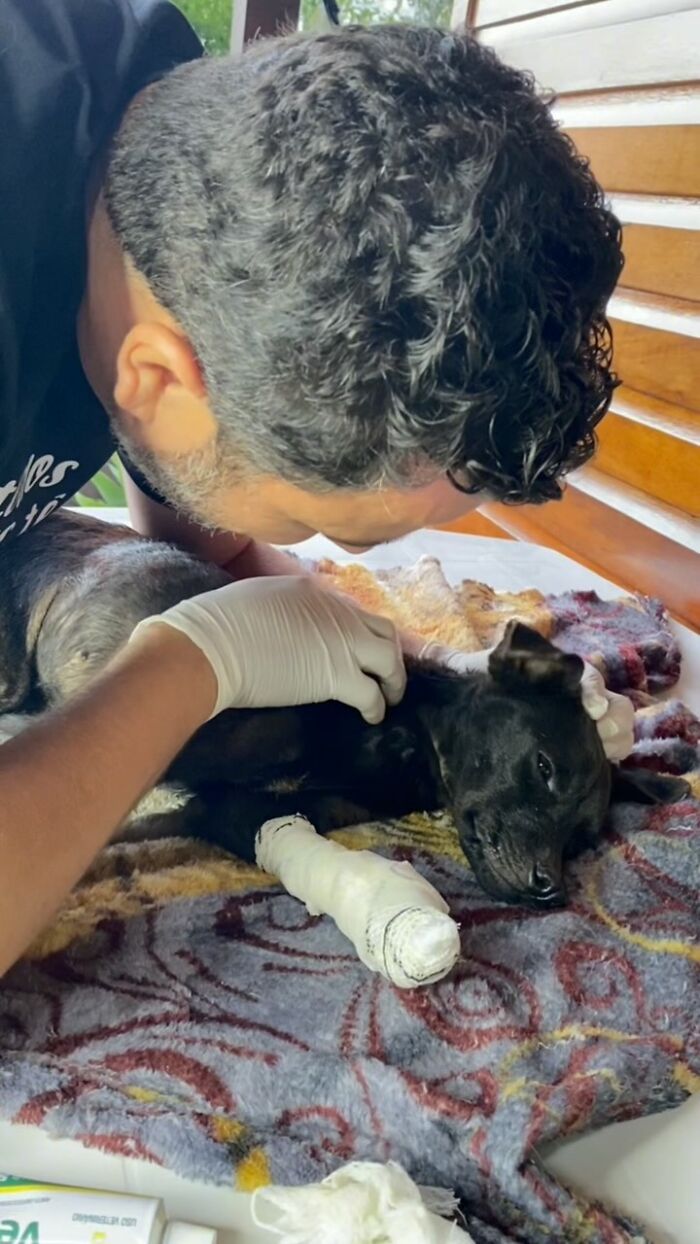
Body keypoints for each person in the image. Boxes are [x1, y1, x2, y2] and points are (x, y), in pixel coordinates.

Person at [0, 0, 632, 973]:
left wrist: (394, 658)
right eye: (316, 524)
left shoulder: (181, 174)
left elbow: (203, 520)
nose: (323, 556)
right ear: (158, 375)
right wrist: (189, 662)